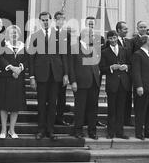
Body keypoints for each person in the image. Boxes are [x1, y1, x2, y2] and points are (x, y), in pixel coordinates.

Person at [29, 11, 69, 141]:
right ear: (40, 21)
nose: (45, 22)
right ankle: (41, 130)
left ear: (51, 21)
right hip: (41, 74)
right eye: (43, 20)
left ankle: (50, 130)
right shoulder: (35, 36)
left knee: (53, 104)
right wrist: (32, 77)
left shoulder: (60, 35)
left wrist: (66, 74)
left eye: (47, 20)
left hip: (56, 74)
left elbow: (64, 56)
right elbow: (31, 58)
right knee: (41, 104)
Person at [0, 25, 28, 139]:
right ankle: (3, 130)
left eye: (16, 33)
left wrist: (19, 69)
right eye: (11, 33)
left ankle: (12, 130)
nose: (14, 35)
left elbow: (26, 60)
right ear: (7, 34)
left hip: (18, 78)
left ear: (19, 35)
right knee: (4, 105)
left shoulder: (23, 46)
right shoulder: (3, 45)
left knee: (16, 106)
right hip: (5, 78)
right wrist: (11, 68)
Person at [69, 29, 101, 140]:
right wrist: (73, 81)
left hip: (94, 82)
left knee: (93, 108)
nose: (93, 37)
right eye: (91, 35)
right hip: (80, 83)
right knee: (80, 108)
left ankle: (92, 131)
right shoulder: (74, 48)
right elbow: (71, 66)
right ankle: (78, 130)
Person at [99, 30, 130, 139]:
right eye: (110, 38)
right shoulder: (104, 52)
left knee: (121, 109)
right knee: (111, 109)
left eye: (114, 38)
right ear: (108, 39)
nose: (113, 40)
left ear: (117, 38)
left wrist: (126, 67)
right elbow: (102, 68)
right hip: (112, 83)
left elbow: (130, 64)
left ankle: (120, 132)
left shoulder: (124, 50)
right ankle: (110, 132)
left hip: (123, 83)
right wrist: (111, 67)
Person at [132, 35, 149, 141]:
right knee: (140, 111)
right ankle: (139, 133)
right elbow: (136, 71)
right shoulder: (137, 54)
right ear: (145, 41)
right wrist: (139, 86)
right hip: (142, 88)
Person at [54, 11, 72, 126]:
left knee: (62, 96)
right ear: (55, 20)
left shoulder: (67, 35)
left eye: (63, 19)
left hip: (62, 71)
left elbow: (68, 55)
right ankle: (49, 117)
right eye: (59, 19)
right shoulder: (49, 33)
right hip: (50, 71)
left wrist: (66, 73)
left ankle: (60, 118)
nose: (61, 21)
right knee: (51, 97)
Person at [115, 21, 134, 127]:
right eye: (124, 29)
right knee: (117, 101)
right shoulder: (112, 41)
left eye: (127, 29)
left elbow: (131, 59)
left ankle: (126, 121)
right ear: (118, 30)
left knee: (127, 99)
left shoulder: (129, 42)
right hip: (116, 76)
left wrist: (128, 67)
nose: (127, 31)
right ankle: (118, 122)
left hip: (127, 75)